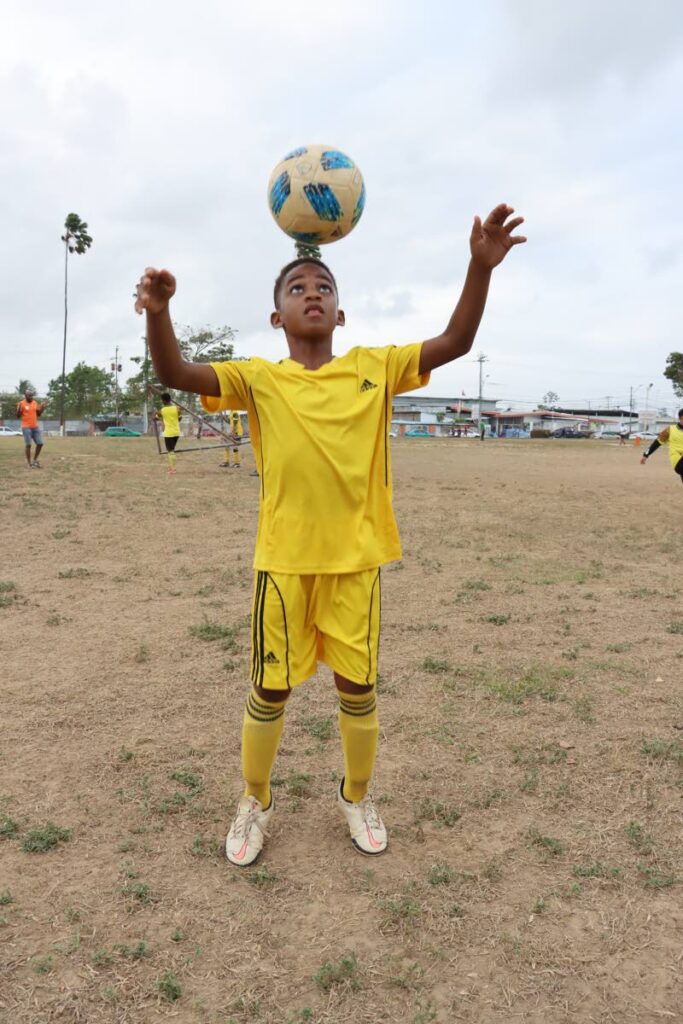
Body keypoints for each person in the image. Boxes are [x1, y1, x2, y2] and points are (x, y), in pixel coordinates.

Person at [134, 203, 526, 866]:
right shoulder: (256, 379)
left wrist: (477, 267)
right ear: (276, 316)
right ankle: (254, 800)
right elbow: (176, 374)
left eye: (323, 288)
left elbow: (454, 341)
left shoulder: (375, 367)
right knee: (270, 688)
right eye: (296, 288)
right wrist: (159, 313)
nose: (311, 293)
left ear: (339, 315)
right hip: (284, 563)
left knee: (357, 687)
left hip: (355, 562)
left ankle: (356, 794)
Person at [640, 408, 683, 485]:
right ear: (680, 418)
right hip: (677, 460)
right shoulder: (670, 430)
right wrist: (646, 455)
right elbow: (657, 443)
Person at [17, 389, 47, 468]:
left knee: (40, 443)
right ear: (25, 396)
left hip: (35, 427)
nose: (31, 397)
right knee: (28, 445)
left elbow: (38, 414)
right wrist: (18, 410)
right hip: (26, 427)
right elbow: (18, 416)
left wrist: (42, 408)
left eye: (32, 395)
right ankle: (29, 463)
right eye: (29, 395)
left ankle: (35, 460)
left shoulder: (35, 403)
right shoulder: (22, 403)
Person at [154, 392, 182, 474]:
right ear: (170, 399)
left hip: (168, 433)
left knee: (170, 451)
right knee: (171, 450)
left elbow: (155, 417)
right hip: (177, 432)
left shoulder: (162, 410)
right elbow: (180, 419)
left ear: (163, 401)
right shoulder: (177, 408)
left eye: (162, 400)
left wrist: (156, 416)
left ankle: (173, 469)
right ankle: (171, 467)